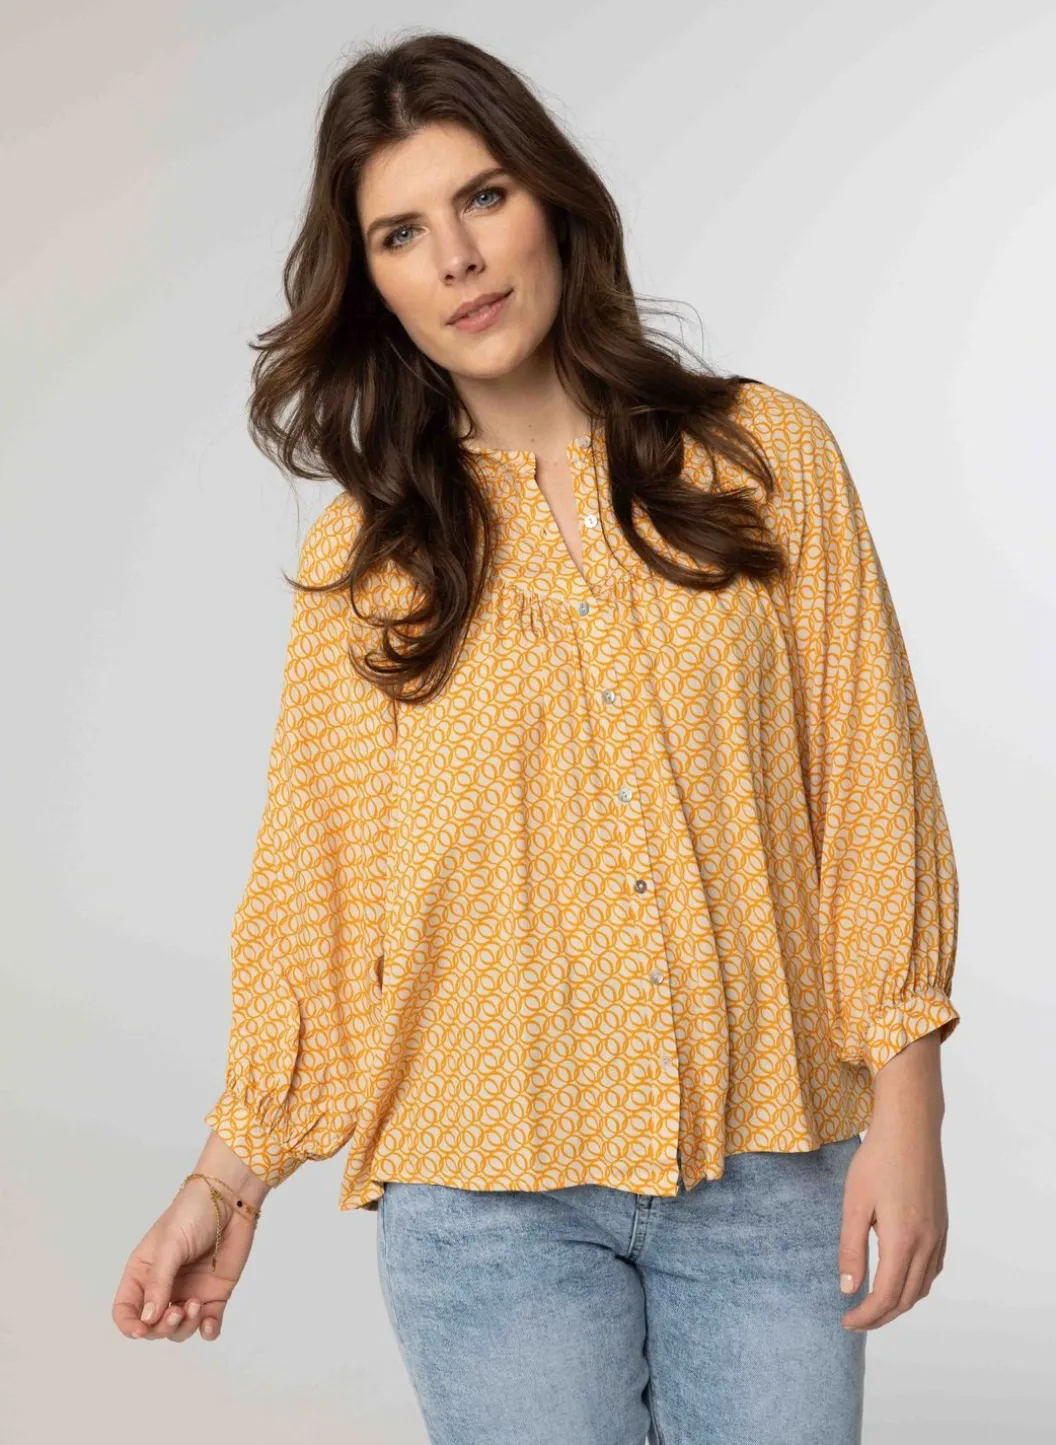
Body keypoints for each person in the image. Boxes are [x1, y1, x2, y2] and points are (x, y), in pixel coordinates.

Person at [111, 32, 961, 1445]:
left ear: (553, 203)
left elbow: (871, 789)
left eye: (483, 197)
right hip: (484, 1217)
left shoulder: (766, 459)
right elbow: (320, 888)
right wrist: (226, 1180)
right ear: (373, 281)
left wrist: (909, 1107)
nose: (457, 257)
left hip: (768, 1181)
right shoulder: (368, 565)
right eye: (402, 232)